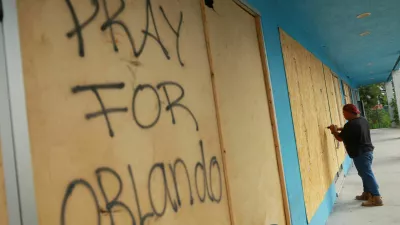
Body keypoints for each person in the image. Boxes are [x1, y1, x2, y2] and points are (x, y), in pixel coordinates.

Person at [329, 103, 383, 207]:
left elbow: (339, 138)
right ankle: (367, 194)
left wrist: (333, 131)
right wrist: (340, 128)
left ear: (350, 113)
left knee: (366, 174)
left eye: (344, 113)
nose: (344, 115)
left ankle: (376, 198)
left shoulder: (350, 125)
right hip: (367, 151)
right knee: (364, 173)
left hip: (360, 153)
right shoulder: (362, 120)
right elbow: (354, 131)